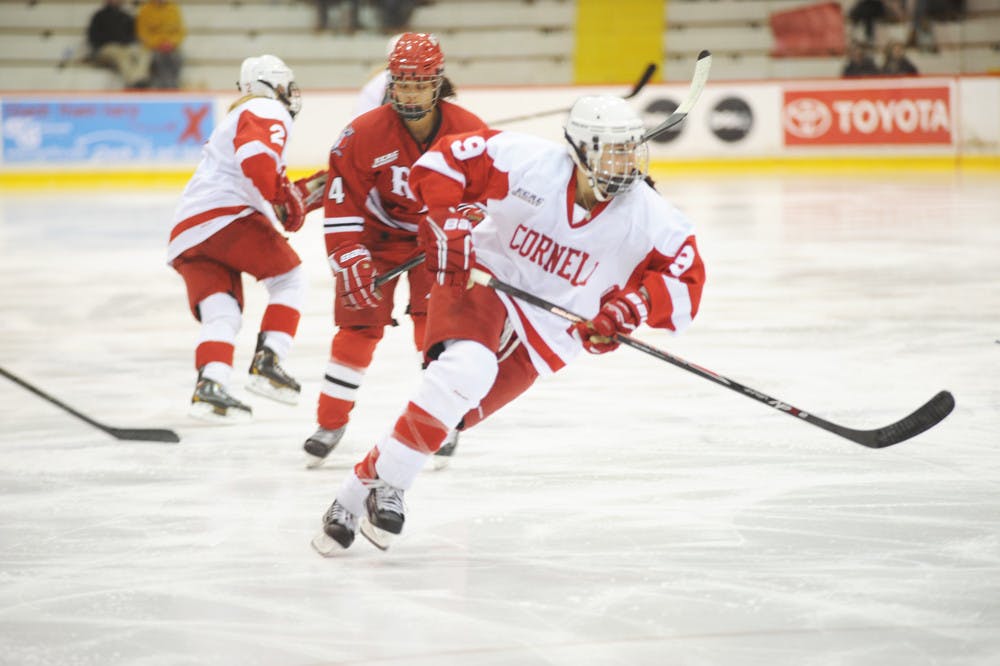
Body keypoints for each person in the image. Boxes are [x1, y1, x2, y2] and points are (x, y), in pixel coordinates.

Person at [311, 95, 706, 554]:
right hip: (484, 278)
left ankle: (364, 487)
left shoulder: (648, 216)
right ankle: (360, 494)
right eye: (613, 150)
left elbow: (685, 283)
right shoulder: (530, 162)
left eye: (631, 150)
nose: (626, 163)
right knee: (465, 371)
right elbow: (443, 162)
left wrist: (629, 309)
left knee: (451, 417)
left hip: (550, 331)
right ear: (580, 150)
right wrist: (445, 219)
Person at [302, 33, 488, 468]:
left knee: (436, 329)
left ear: (438, 82)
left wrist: (469, 220)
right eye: (402, 82)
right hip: (378, 238)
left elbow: (490, 191)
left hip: (437, 240)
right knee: (357, 326)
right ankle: (330, 424)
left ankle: (439, 422)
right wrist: (347, 253)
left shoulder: (469, 130)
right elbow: (342, 198)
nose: (410, 92)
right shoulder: (363, 133)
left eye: (420, 83)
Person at [167, 55, 310, 423]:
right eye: (286, 85)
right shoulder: (266, 108)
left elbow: (251, 171)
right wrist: (281, 196)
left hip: (188, 231)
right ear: (271, 85)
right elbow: (257, 160)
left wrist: (284, 197)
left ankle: (210, 387)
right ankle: (270, 360)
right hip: (225, 217)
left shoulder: (238, 114)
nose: (290, 94)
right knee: (289, 279)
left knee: (222, 312)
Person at [86, 0, 151, 88]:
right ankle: (134, 82)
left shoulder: (126, 16)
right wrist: (99, 48)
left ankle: (140, 79)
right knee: (120, 53)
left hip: (125, 47)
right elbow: (92, 37)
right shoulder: (99, 16)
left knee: (144, 53)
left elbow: (134, 35)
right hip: (106, 48)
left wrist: (127, 43)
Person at [135, 0, 185, 89]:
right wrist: (158, 44)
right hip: (152, 47)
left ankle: (172, 85)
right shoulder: (145, 10)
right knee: (158, 58)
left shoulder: (174, 9)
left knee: (177, 57)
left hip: (171, 46)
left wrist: (171, 43)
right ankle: (163, 87)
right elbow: (142, 33)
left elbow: (180, 31)